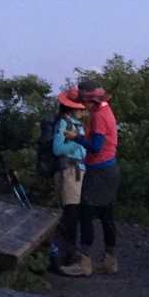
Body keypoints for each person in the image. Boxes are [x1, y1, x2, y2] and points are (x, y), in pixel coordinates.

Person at [61, 76, 119, 277]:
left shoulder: (99, 116)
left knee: (86, 214)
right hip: (111, 169)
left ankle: (84, 263)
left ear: (89, 100)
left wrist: (75, 137)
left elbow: (95, 147)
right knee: (106, 215)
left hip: (98, 172)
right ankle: (110, 261)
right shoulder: (106, 110)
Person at [51, 88, 87, 267]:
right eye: (80, 108)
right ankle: (68, 254)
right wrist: (77, 143)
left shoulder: (76, 124)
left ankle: (68, 252)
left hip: (78, 172)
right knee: (70, 214)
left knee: (73, 214)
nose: (83, 110)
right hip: (70, 171)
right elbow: (57, 149)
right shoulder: (64, 123)